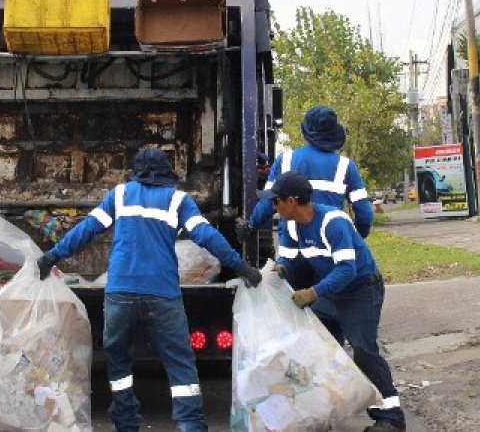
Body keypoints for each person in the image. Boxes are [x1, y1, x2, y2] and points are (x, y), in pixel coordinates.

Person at [37, 147, 263, 432]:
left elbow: (88, 229)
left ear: (137, 170)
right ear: (166, 171)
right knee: (180, 363)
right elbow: (206, 235)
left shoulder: (119, 195)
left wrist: (51, 257)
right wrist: (240, 266)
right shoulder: (178, 200)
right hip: (162, 295)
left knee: (118, 360)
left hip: (120, 293)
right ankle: (190, 425)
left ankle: (126, 421)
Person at [264, 171, 406, 432]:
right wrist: (283, 268)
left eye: (276, 201)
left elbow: (346, 270)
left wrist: (314, 293)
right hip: (331, 291)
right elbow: (295, 260)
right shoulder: (293, 225)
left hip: (360, 290)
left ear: (292, 201)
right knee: (317, 348)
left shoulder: (333, 222)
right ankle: (325, 412)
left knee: (363, 349)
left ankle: (391, 418)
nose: (273, 207)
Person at [237, 105, 374, 242]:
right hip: (329, 247)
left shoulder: (285, 160)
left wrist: (250, 226)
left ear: (306, 132)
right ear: (333, 134)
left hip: (292, 251)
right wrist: (356, 238)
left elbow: (268, 202)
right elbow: (365, 214)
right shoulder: (346, 166)